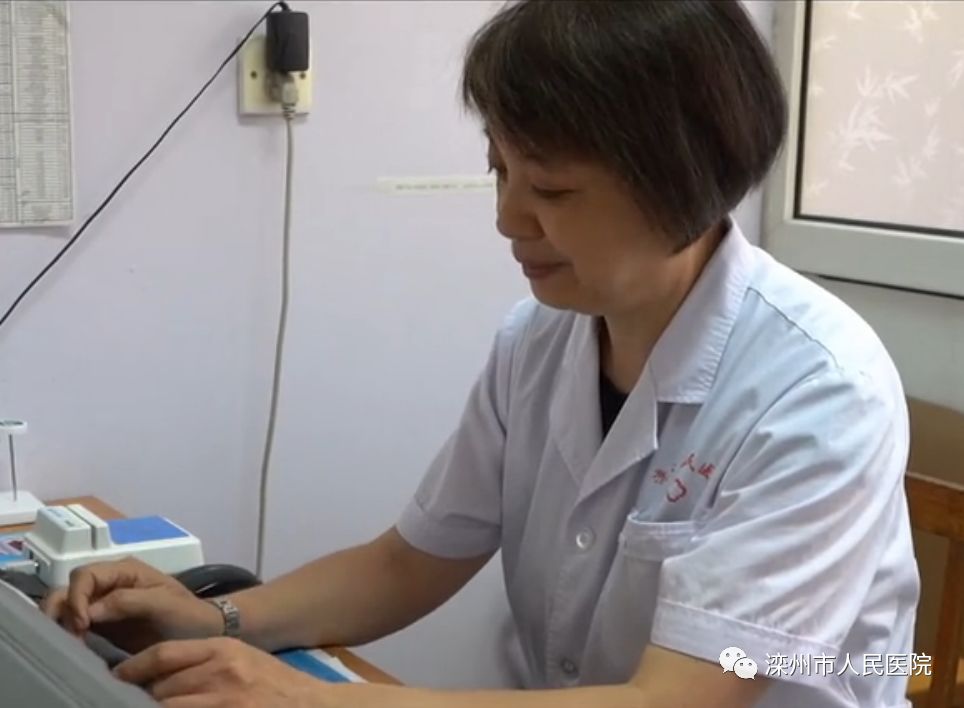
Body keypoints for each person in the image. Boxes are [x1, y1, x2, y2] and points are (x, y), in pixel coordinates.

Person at [43, 1, 921, 707]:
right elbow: (408, 563)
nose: (507, 218)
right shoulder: (539, 340)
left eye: (552, 189)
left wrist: (314, 699)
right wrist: (215, 620)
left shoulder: (819, 392)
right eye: (499, 170)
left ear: (686, 182)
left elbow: (680, 697)